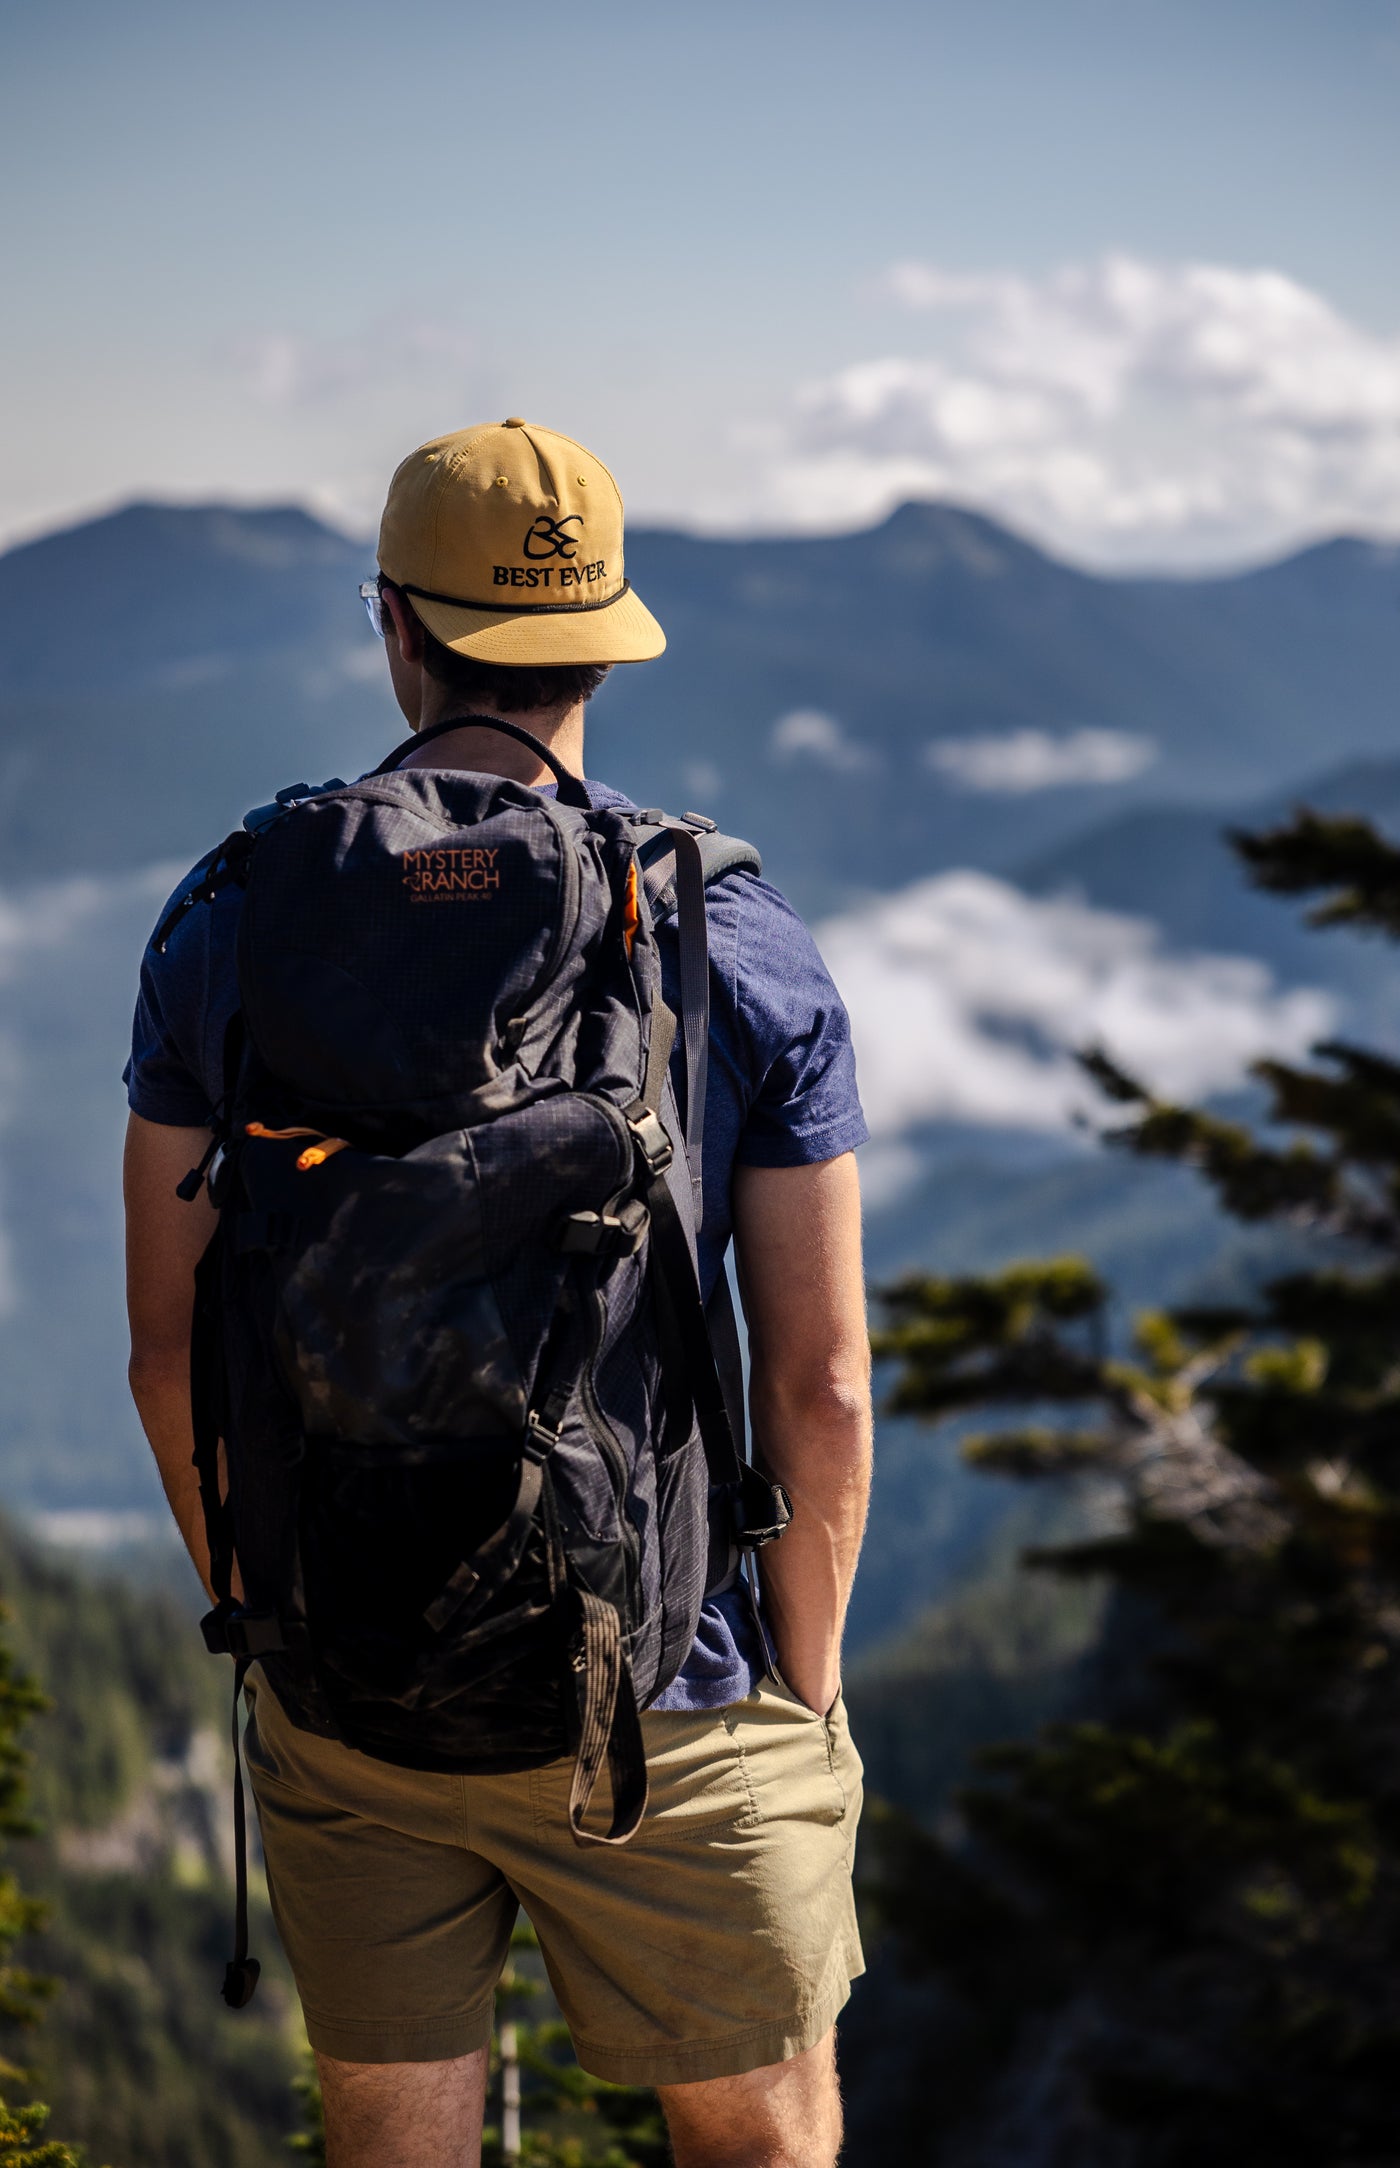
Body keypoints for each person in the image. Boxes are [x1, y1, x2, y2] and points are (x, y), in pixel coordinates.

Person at [122, 419, 873, 2168]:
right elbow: (820, 1385)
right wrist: (799, 1694)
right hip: (671, 1687)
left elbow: (171, 1356)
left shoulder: (231, 920)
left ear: (393, 624)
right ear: (610, 637)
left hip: (350, 1685)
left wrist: (280, 1621)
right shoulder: (726, 935)